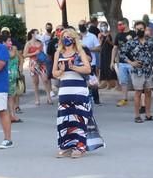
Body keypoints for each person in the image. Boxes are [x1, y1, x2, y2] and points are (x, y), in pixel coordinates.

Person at [52, 28, 93, 158]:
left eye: (69, 36)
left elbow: (88, 69)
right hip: (64, 90)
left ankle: (80, 146)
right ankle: (65, 146)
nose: (66, 39)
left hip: (79, 90)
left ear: (74, 38)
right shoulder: (58, 53)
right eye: (64, 36)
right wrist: (61, 71)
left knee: (79, 119)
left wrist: (73, 67)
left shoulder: (80, 52)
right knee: (64, 119)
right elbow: (54, 73)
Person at [123, 21, 153, 123]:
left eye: (141, 29)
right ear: (134, 30)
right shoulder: (131, 42)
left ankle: (148, 115)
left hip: (148, 71)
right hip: (137, 71)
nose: (139, 30)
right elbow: (122, 54)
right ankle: (137, 115)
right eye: (137, 29)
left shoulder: (150, 42)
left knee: (148, 92)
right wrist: (131, 62)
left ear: (145, 29)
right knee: (138, 92)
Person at [23, 29, 53, 106]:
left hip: (41, 63)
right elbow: (24, 55)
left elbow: (42, 52)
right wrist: (34, 53)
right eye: (36, 33)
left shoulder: (40, 43)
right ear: (32, 34)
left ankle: (48, 97)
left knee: (45, 79)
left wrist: (42, 55)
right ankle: (37, 99)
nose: (38, 34)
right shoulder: (28, 43)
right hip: (33, 63)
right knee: (35, 82)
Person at [112, 19, 135, 107]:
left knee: (135, 81)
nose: (119, 26)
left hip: (132, 62)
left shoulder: (133, 34)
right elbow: (115, 48)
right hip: (122, 62)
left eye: (120, 24)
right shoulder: (118, 35)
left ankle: (139, 99)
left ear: (126, 24)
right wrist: (112, 61)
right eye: (118, 24)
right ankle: (124, 99)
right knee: (123, 82)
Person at [79, 20, 101, 105]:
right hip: (80, 64)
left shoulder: (92, 36)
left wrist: (87, 49)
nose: (81, 26)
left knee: (93, 81)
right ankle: (85, 98)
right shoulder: (77, 37)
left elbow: (98, 48)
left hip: (91, 63)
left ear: (86, 26)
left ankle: (96, 99)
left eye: (83, 25)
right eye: (80, 25)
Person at [3, 34, 22, 124]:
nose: (11, 43)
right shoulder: (2, 51)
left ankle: (12, 115)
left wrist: (20, 69)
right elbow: (11, 55)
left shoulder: (13, 49)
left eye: (10, 41)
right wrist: (9, 49)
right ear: (3, 42)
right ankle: (7, 116)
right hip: (4, 77)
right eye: (8, 41)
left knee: (12, 96)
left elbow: (20, 58)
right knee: (5, 97)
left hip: (13, 77)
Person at [97, 21, 118, 90]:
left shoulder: (110, 34)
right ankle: (108, 85)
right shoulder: (100, 34)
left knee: (111, 69)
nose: (103, 27)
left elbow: (114, 44)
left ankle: (117, 84)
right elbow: (100, 45)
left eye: (104, 25)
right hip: (103, 53)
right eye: (102, 25)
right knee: (104, 69)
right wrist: (100, 39)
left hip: (109, 53)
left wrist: (109, 41)